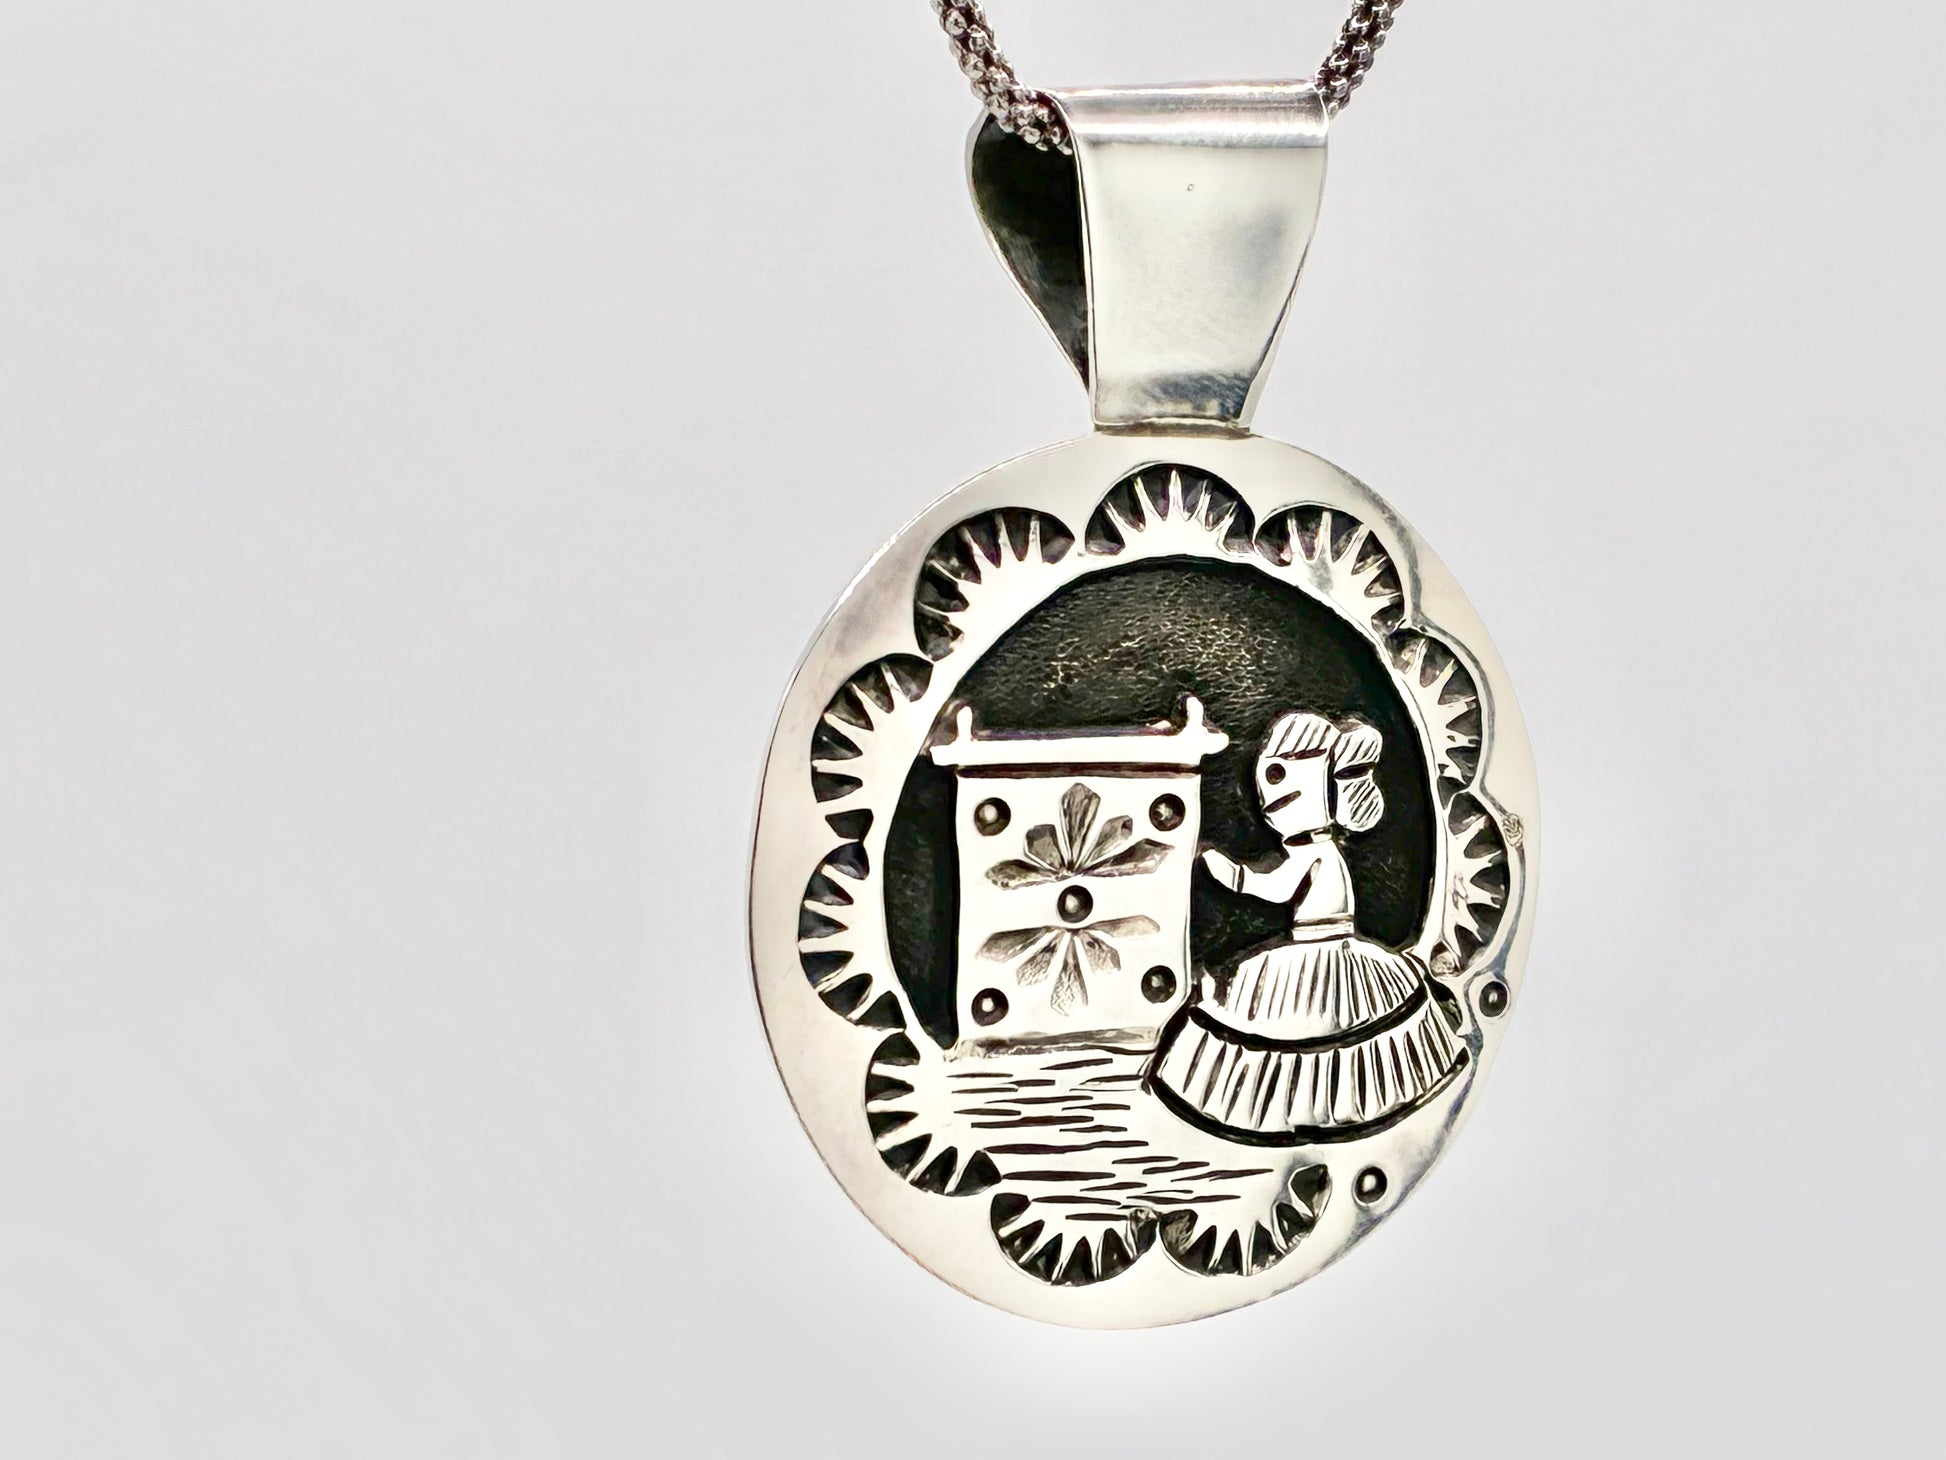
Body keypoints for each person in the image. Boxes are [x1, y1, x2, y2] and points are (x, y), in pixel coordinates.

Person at [1148, 711, 1466, 1142]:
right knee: (1327, 1036)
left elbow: (1274, 889)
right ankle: (1333, 1107)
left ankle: (1302, 1111)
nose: (1269, 808)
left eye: (1281, 792)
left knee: (1301, 1031)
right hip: (1332, 950)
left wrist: (1235, 876)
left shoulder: (1315, 856)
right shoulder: (1323, 852)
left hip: (1318, 953)